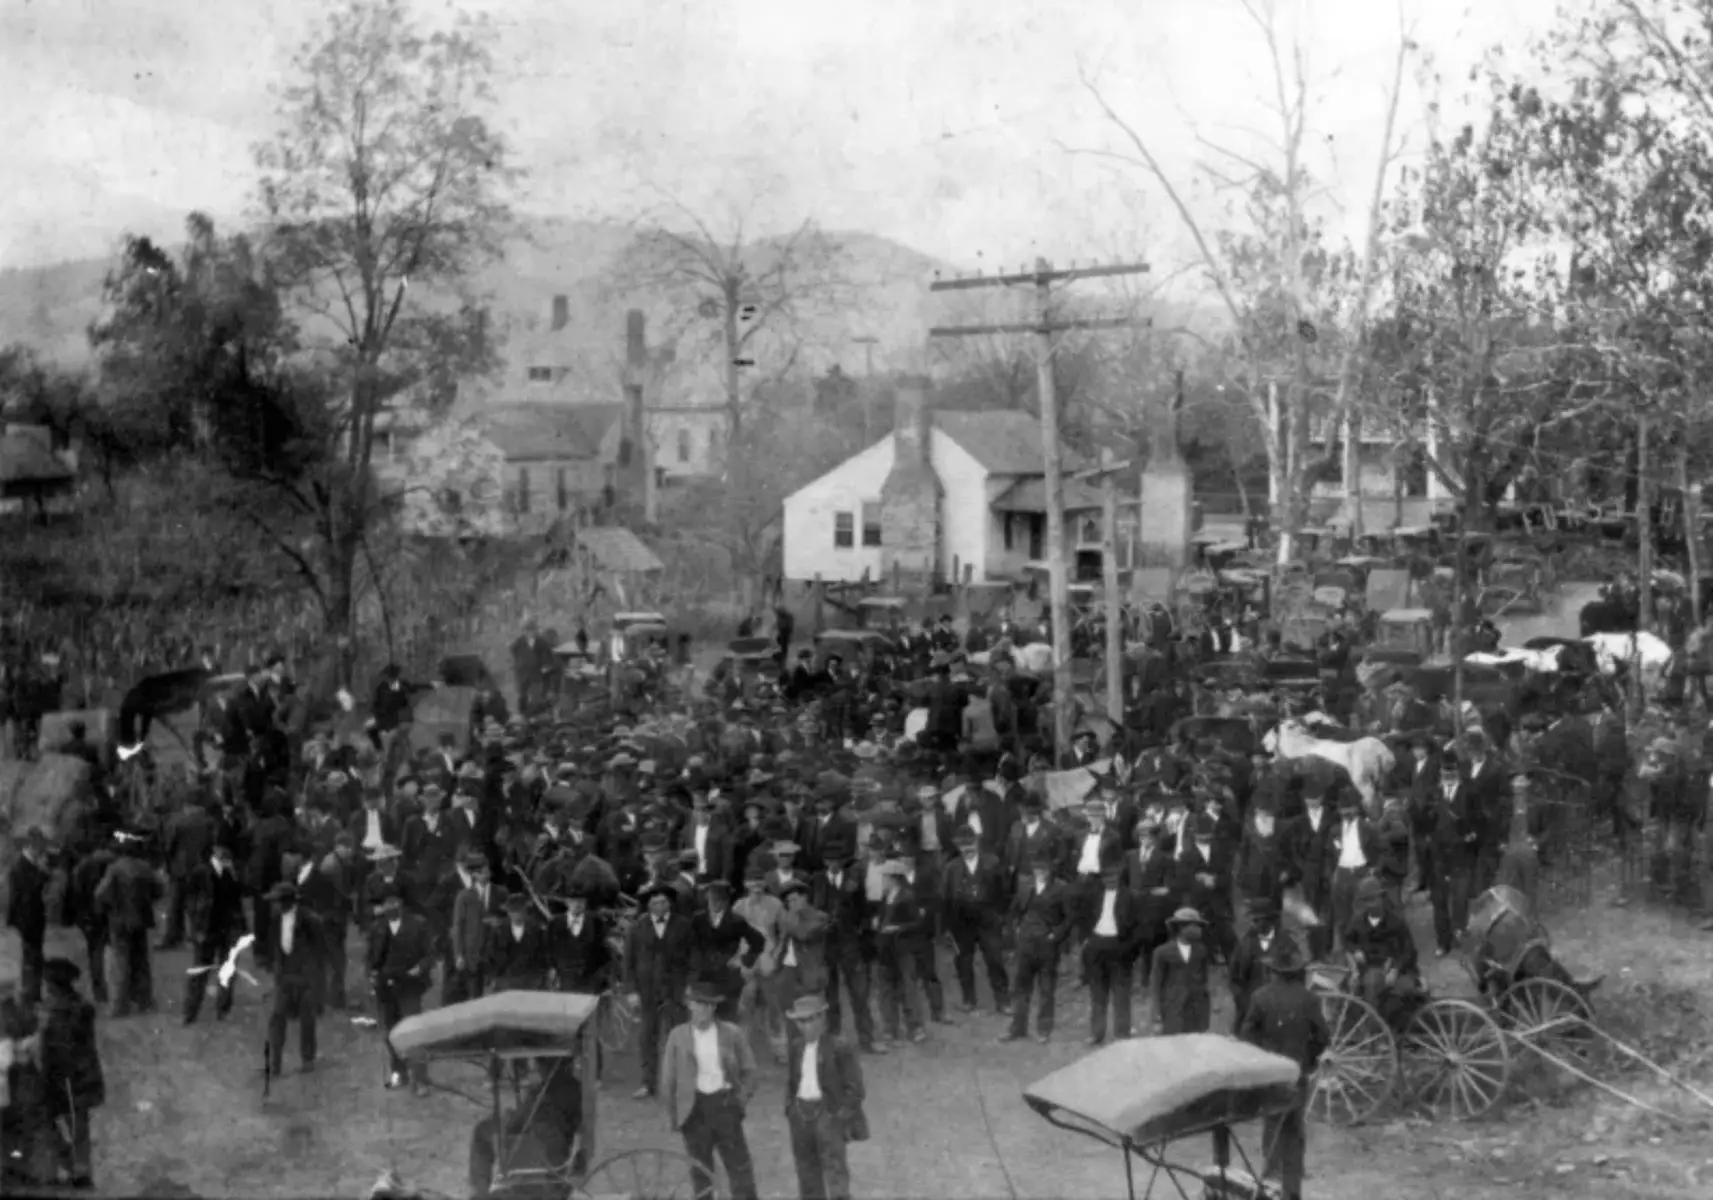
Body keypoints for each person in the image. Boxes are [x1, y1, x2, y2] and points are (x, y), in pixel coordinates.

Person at [1238, 938, 1330, 1200]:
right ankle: (1292, 1191)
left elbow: (1247, 1035)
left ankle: (1270, 1186)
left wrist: (1262, 1061)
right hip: (1296, 1072)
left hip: (1271, 1075)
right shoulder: (1309, 998)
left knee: (1272, 1130)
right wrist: (1308, 1060)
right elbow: (1323, 1036)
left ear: (1273, 971)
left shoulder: (1260, 997)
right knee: (1294, 1131)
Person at [659, 975, 760, 1200]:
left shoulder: (732, 1033)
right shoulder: (678, 1036)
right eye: (699, 1004)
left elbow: (750, 1071)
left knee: (739, 1168)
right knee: (700, 1172)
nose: (704, 1010)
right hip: (694, 1110)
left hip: (725, 1105)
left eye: (709, 1005)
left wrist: (740, 1100)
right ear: (690, 1004)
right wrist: (675, 1115)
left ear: (715, 1007)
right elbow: (668, 1080)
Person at [783, 994, 867, 1200]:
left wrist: (838, 1117)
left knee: (835, 1169)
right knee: (806, 1170)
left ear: (821, 1019)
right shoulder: (796, 1047)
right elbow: (792, 1082)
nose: (805, 1026)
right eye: (800, 1022)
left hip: (827, 1113)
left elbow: (855, 1089)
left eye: (810, 1020)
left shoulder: (839, 1047)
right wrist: (791, 1108)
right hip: (801, 1113)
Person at [467, 1056, 585, 1197]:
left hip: (545, 1144)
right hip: (538, 1138)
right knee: (488, 1132)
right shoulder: (552, 1103)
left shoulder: (572, 1094)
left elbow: (572, 1178)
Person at [38, 957, 104, 1190]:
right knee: (79, 1128)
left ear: (53, 986)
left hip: (59, 1079)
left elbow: (51, 1051)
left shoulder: (53, 1014)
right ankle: (80, 1170)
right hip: (83, 1077)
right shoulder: (82, 1008)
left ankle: (70, 1165)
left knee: (48, 1123)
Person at [367, 884, 438, 1094]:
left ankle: (421, 1079)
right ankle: (399, 1072)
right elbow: (371, 958)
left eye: (394, 901)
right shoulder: (377, 928)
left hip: (410, 985)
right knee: (391, 1032)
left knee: (413, 1030)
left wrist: (420, 967)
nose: (390, 906)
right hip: (386, 987)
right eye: (386, 903)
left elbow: (430, 954)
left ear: (401, 903)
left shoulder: (418, 924)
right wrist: (371, 975)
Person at [266, 881, 325, 1076]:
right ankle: (275, 1063)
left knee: (307, 1020)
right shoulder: (275, 919)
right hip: (285, 977)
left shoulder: (310, 920)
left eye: (278, 901)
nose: (275, 905)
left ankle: (308, 1059)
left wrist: (316, 983)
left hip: (306, 979)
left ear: (288, 902)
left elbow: (320, 953)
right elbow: (276, 947)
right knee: (277, 1017)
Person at [1150, 907, 1212, 1034]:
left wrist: (1205, 1014)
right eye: (1192, 926)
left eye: (1198, 926)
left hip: (1196, 1008)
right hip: (1172, 1007)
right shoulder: (1162, 952)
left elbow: (1204, 981)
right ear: (1180, 927)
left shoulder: (1201, 950)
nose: (1196, 930)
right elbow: (1156, 984)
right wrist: (1156, 1013)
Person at [6, 830, 50, 1006]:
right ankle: (30, 994)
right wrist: (43, 872)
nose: (43, 850)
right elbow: (29, 891)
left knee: (34, 956)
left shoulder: (28, 865)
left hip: (33, 918)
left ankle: (33, 992)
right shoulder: (22, 867)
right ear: (32, 846)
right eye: (41, 847)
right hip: (28, 919)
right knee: (32, 957)